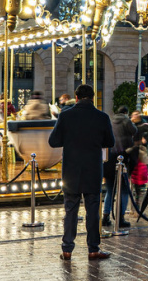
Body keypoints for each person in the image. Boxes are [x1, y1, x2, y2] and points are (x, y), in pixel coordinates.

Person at [48, 84, 114, 260]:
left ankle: (67, 249)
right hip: (93, 170)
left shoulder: (66, 115)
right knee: (93, 211)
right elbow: (110, 141)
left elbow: (53, 141)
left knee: (71, 210)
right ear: (93, 98)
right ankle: (93, 249)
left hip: (71, 171)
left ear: (76, 98)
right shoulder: (102, 117)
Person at [102, 106, 137, 228]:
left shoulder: (110, 120)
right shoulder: (126, 120)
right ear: (126, 113)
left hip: (109, 158)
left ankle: (105, 216)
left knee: (110, 190)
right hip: (121, 158)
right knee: (124, 191)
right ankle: (120, 218)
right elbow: (134, 131)